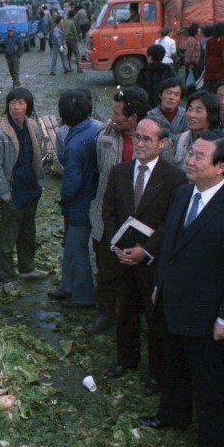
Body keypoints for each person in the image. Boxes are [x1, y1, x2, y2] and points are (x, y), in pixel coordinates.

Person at [138, 131, 224, 447]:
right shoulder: (182, 195)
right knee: (173, 366)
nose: (189, 161)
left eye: (198, 157)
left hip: (208, 316)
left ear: (222, 166)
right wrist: (159, 285)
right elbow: (170, 247)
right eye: (190, 154)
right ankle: (172, 416)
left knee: (209, 384)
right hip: (173, 303)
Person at [102, 116, 186, 396]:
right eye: (137, 136)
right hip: (123, 257)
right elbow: (109, 211)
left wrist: (146, 250)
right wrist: (116, 244)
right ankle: (126, 360)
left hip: (152, 262)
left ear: (162, 143)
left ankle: (156, 375)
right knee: (124, 310)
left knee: (154, 319)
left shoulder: (174, 178)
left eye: (146, 139)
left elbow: (169, 222)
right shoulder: (119, 172)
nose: (138, 143)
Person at [81, 87, 149, 333]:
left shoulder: (158, 139)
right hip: (108, 214)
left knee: (139, 271)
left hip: (141, 218)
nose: (112, 117)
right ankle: (105, 312)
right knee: (107, 268)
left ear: (133, 118)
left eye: (118, 113)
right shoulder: (105, 137)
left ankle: (138, 313)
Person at [0, 88, 47, 297]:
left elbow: (38, 156)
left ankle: (27, 267)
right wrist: (5, 195)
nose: (16, 107)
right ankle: (7, 278)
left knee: (28, 232)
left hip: (30, 189)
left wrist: (39, 183)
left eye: (21, 103)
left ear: (28, 106)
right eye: (13, 102)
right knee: (7, 238)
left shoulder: (32, 127)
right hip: (13, 193)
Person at [49, 90, 100, 307]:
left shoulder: (75, 144)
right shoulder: (94, 128)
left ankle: (83, 296)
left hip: (80, 203)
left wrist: (64, 197)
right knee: (70, 247)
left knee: (77, 251)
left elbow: (71, 182)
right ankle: (67, 286)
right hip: (91, 197)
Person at [171, 90, 221, 171]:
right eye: (190, 109)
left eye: (198, 111)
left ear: (211, 115)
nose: (191, 115)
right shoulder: (181, 138)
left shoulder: (219, 142)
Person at [148, 78, 187, 146]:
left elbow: (188, 137)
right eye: (168, 93)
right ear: (160, 95)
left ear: (180, 98)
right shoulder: (150, 115)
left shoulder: (186, 114)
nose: (172, 97)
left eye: (176, 94)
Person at [203, 22, 224, 92]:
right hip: (218, 66)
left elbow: (206, 53)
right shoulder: (223, 41)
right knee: (217, 87)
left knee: (208, 86)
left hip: (209, 65)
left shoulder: (209, 40)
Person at [183, 23, 201, 91]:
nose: (200, 30)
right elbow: (190, 52)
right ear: (195, 30)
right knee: (192, 78)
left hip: (194, 63)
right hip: (192, 63)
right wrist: (191, 63)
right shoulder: (191, 40)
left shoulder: (194, 39)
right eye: (198, 28)